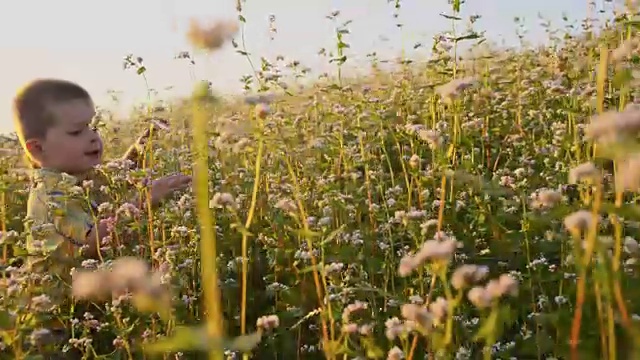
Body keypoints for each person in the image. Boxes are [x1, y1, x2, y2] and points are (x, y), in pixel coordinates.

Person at [12, 78, 191, 358]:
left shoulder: (74, 177)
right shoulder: (52, 195)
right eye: (77, 132)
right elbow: (94, 240)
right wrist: (145, 201)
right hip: (55, 322)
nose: (93, 137)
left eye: (92, 127)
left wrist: (144, 143)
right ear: (37, 149)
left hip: (82, 311)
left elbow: (117, 175)